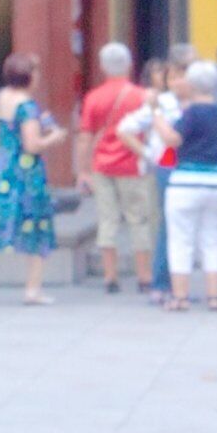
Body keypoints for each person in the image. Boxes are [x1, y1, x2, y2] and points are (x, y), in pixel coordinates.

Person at [0, 53, 63, 306]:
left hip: (3, 167)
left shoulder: (0, 98)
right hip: (26, 174)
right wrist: (55, 137)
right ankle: (33, 288)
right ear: (28, 77)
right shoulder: (27, 106)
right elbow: (32, 145)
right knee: (36, 223)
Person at [159, 63, 217, 310]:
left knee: (181, 240)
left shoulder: (190, 114)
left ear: (192, 85)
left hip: (185, 182)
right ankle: (214, 296)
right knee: (212, 240)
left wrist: (157, 119)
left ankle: (180, 297)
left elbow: (173, 139)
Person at [78, 42, 154, 295]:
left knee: (107, 221)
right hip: (133, 164)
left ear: (102, 67)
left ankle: (110, 277)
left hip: (102, 165)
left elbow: (85, 136)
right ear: (130, 65)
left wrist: (83, 170)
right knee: (138, 220)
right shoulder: (141, 96)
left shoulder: (93, 97)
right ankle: (144, 276)